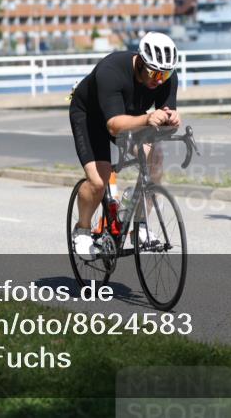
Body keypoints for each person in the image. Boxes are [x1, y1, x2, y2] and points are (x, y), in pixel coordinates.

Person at [68, 32, 181, 259]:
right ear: (140, 61)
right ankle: (82, 229)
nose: (159, 80)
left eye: (165, 74)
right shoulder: (111, 70)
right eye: (154, 72)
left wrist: (174, 122)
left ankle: (139, 225)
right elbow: (113, 126)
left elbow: (164, 118)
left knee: (154, 160)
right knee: (98, 182)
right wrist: (148, 118)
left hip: (131, 116)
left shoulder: (166, 79)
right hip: (92, 118)